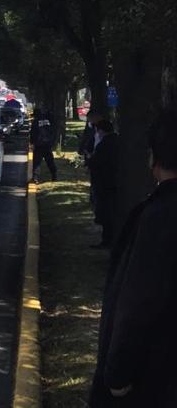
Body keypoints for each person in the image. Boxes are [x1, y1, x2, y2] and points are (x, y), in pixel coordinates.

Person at [90, 110, 177, 407]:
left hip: (155, 380)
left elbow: (138, 302)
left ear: (153, 159)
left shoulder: (157, 218)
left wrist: (117, 375)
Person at [88, 119, 119, 249]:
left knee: (106, 214)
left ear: (101, 131)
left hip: (104, 184)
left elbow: (95, 163)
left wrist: (89, 159)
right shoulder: (118, 141)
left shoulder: (104, 145)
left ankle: (107, 240)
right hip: (115, 182)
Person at [31, 110, 58, 183]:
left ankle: (35, 178)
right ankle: (54, 175)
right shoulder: (49, 121)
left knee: (37, 162)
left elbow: (33, 133)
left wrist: (32, 143)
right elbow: (53, 131)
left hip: (39, 145)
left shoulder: (36, 122)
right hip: (47, 144)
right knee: (50, 161)